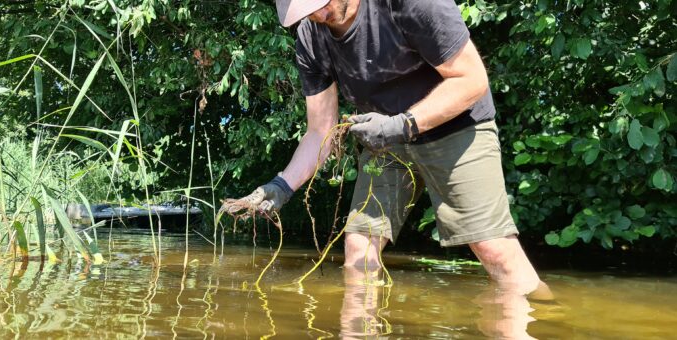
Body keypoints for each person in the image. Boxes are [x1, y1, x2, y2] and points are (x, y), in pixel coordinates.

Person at [223, 0, 551, 297]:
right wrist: (281, 187)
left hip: (456, 126)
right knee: (359, 249)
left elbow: (472, 79)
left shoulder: (410, 3)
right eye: (305, 12)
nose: (316, 16)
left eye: (320, 4)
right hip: (387, 141)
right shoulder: (312, 34)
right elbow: (320, 131)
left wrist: (400, 125)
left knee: (492, 248)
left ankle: (549, 317)